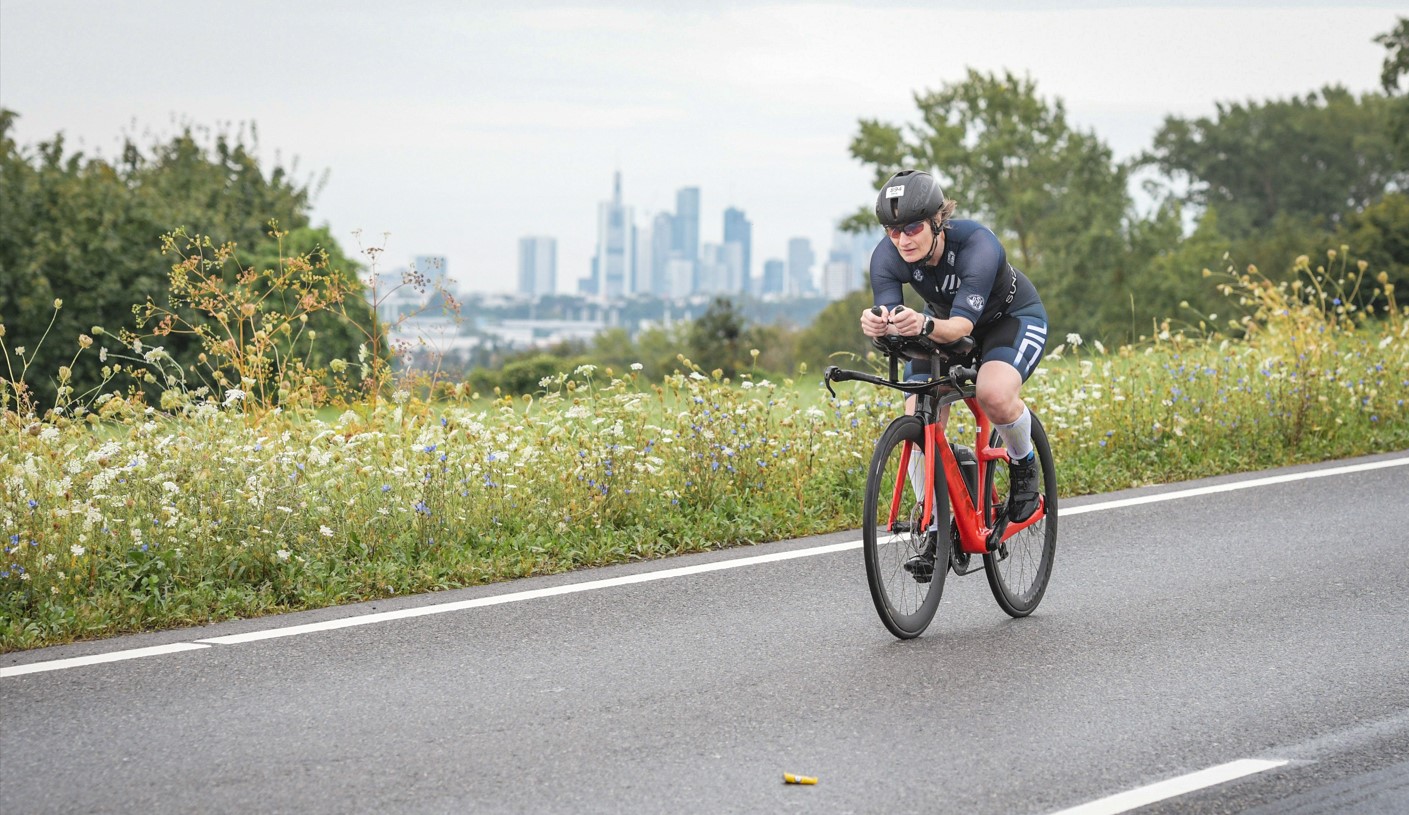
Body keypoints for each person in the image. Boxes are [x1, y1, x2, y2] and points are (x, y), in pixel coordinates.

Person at [859, 169, 1049, 527]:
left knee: (992, 394)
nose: (902, 240)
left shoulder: (977, 244)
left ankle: (1024, 465)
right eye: (892, 230)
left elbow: (962, 327)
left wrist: (925, 324)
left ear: (937, 221)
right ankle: (932, 519)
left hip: (1009, 320)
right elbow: (891, 314)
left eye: (913, 228)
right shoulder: (886, 256)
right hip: (943, 325)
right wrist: (877, 324)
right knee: (918, 408)